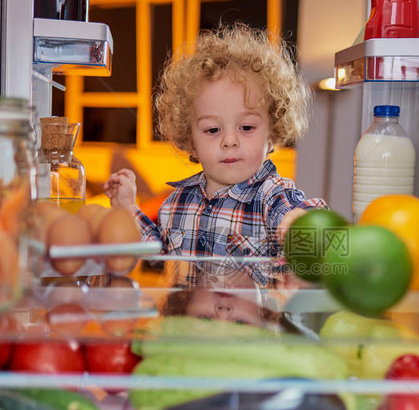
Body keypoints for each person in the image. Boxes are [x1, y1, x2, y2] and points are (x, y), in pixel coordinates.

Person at [105, 23, 327, 286]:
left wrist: (299, 222)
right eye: (212, 129)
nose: (229, 141)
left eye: (246, 127)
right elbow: (157, 254)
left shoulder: (271, 197)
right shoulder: (178, 202)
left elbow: (307, 216)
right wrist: (127, 208)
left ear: (273, 133)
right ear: (190, 140)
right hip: (184, 325)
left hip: (251, 326)